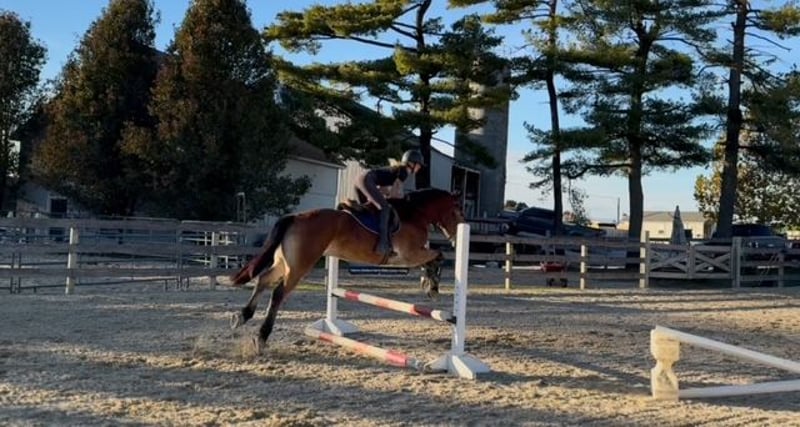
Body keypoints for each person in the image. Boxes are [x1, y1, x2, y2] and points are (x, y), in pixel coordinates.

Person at [354, 149, 425, 256]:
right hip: (366, 180)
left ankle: (362, 237)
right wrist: (406, 199)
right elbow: (396, 194)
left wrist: (386, 196)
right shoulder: (404, 171)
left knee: (368, 211)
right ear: (412, 163)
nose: (419, 168)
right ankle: (383, 244)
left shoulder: (396, 170)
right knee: (385, 209)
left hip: (360, 179)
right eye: (419, 165)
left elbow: (384, 190)